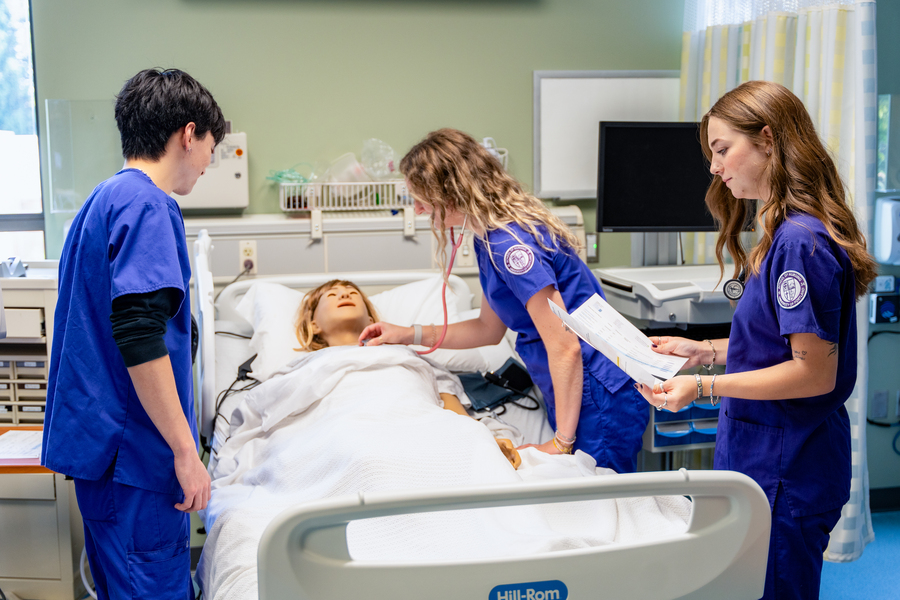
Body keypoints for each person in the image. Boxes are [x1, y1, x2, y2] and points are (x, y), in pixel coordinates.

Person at [636, 81, 877, 600]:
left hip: (787, 463)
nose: (715, 168)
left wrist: (703, 387)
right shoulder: (783, 233)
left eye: (722, 150)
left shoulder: (799, 242)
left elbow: (813, 371)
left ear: (767, 139)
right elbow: (777, 344)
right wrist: (703, 352)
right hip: (765, 454)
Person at [358, 128, 648, 473]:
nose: (419, 210)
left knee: (608, 503)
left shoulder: (508, 246)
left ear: (451, 190)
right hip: (576, 388)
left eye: (422, 198)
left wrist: (561, 443)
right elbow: (487, 330)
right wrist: (408, 333)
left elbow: (565, 345)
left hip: (596, 390)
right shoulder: (488, 237)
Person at [42, 68, 226, 600]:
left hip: (104, 456)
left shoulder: (101, 199)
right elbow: (140, 335)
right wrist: (187, 453)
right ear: (187, 135)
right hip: (137, 461)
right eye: (210, 148)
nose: (208, 164)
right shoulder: (150, 204)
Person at [295, 278, 522, 468]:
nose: (345, 295)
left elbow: (456, 416)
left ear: (372, 321)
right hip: (344, 442)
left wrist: (485, 443)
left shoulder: (406, 356)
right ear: (314, 325)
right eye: (332, 295)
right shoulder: (303, 369)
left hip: (419, 439)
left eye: (352, 292)